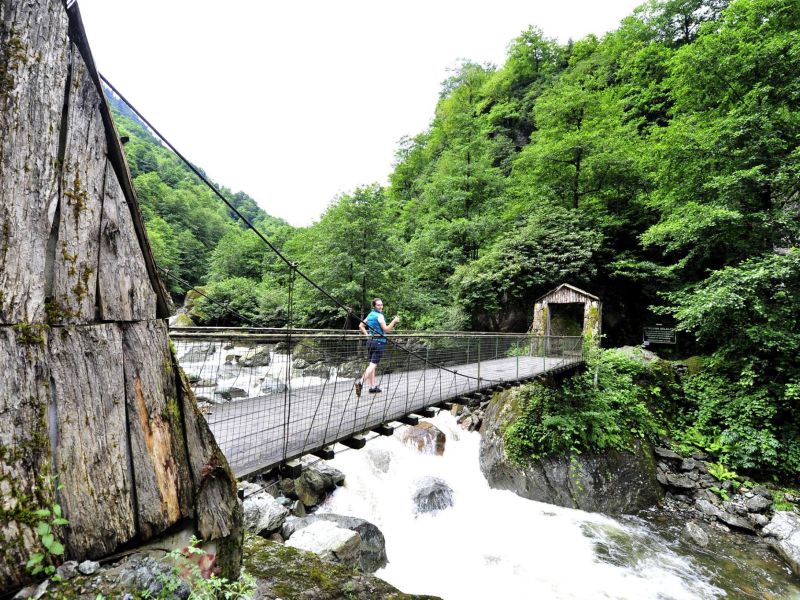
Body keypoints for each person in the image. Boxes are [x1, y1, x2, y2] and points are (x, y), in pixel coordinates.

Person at [355, 298, 399, 396]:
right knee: (373, 364)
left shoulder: (370, 315)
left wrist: (367, 335)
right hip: (379, 342)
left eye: (381, 304)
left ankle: (372, 387)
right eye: (379, 305)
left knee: (371, 364)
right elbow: (386, 330)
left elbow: (360, 325)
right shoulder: (379, 316)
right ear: (374, 306)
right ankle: (360, 382)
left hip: (370, 342)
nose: (381, 306)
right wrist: (394, 321)